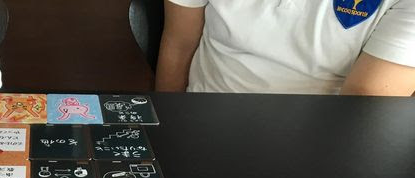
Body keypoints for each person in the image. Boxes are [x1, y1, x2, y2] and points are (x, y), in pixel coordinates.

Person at [156, 0, 415, 96]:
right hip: (204, 117)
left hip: (323, 139)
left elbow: (367, 100)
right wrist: (164, 127)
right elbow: (179, 45)